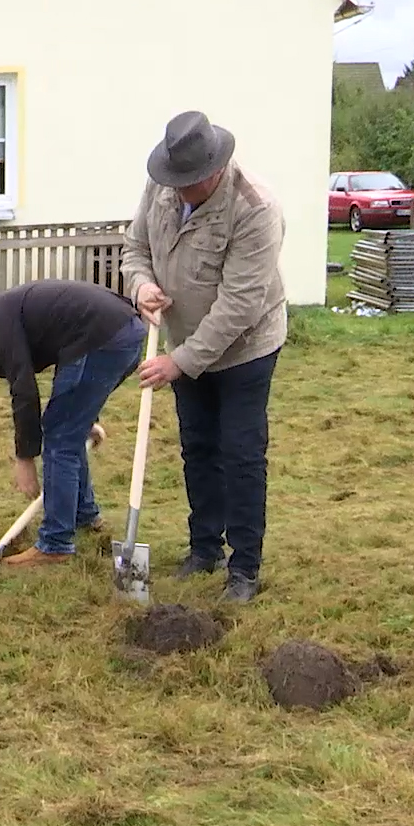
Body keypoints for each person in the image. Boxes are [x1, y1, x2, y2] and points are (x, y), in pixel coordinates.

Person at [120, 111, 288, 604]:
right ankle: (204, 548)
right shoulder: (161, 188)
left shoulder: (255, 208)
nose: (178, 190)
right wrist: (141, 285)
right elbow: (135, 247)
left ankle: (244, 568)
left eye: (188, 183)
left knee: (239, 452)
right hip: (182, 341)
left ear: (214, 170)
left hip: (245, 349)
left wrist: (180, 363)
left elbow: (240, 304)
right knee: (198, 448)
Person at [0, 281, 146, 567]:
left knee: (59, 436)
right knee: (66, 428)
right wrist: (83, 417)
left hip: (102, 337)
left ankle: (55, 543)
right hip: (122, 331)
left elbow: (24, 389)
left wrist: (25, 458)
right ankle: (85, 517)